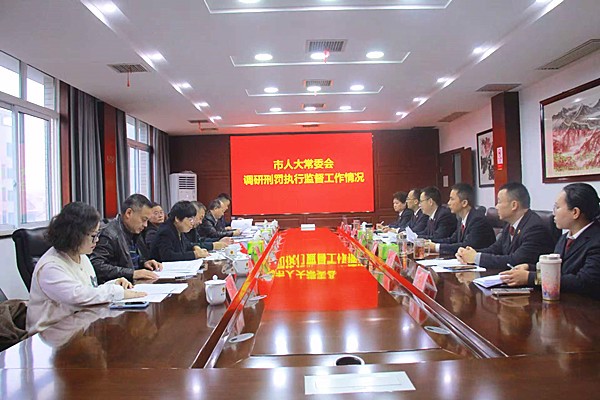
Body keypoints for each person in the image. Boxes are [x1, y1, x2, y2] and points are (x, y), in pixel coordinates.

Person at [27, 202, 145, 334]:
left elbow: (89, 290)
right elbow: (78, 296)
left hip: (78, 328)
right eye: (93, 236)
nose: (97, 240)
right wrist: (116, 292)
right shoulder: (50, 267)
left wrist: (113, 284)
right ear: (75, 235)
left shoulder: (82, 256)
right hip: (51, 334)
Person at [500, 183, 600, 299]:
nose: (553, 213)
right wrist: (530, 268)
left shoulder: (596, 240)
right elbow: (559, 269)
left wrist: (531, 277)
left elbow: (584, 282)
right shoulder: (565, 238)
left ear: (575, 212)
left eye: (557, 207)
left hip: (586, 306)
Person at [456, 182, 554, 269]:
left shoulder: (534, 228)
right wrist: (468, 254)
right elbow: (495, 249)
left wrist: (476, 258)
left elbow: (515, 260)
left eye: (499, 202)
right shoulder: (510, 224)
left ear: (514, 205)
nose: (496, 206)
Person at [90, 194, 162, 284]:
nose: (145, 225)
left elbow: (130, 261)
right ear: (129, 213)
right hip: (118, 287)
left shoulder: (134, 231)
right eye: (144, 219)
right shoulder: (109, 234)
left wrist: (144, 263)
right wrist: (132, 273)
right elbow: (97, 266)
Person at [429, 183, 496, 255]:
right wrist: (429, 242)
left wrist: (436, 247)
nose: (448, 203)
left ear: (464, 203)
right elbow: (452, 240)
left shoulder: (478, 220)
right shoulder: (462, 219)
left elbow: (466, 246)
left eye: (452, 199)